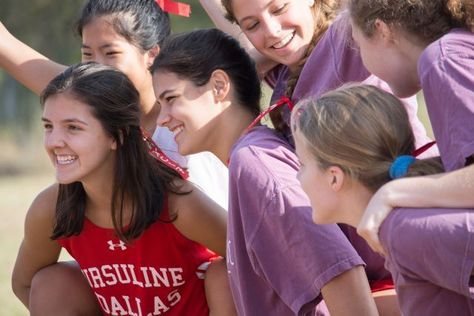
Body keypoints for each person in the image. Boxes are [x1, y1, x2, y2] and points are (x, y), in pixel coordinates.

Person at [151, 28, 379, 315]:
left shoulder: (256, 163)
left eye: (171, 99)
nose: (162, 119)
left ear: (219, 86)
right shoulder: (247, 160)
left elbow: (341, 272)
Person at [11, 62, 233, 316]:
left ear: (117, 135)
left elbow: (253, 261)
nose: (54, 142)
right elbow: (25, 284)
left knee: (224, 274)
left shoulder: (177, 202)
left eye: (73, 127)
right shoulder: (52, 207)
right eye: (48, 126)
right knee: (50, 283)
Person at [0, 0, 229, 209]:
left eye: (111, 53)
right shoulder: (82, 96)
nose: (97, 67)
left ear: (152, 54)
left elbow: (243, 39)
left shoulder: (192, 109)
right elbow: (10, 50)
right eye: (87, 55)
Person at [291, 84, 474, 315]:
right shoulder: (396, 227)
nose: (298, 176)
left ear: (334, 177)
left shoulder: (402, 229)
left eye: (303, 165)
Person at [347, 0, 474, 253]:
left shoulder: (444, 58)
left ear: (382, 30)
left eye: (358, 44)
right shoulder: (457, 49)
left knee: (402, 228)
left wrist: (393, 193)